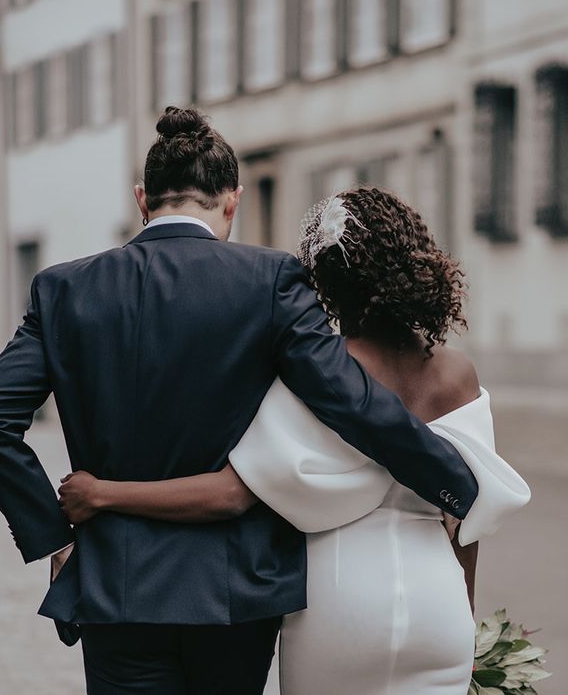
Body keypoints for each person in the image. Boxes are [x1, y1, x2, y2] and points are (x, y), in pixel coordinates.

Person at [0, 108, 484, 695]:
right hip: (237, 592)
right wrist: (457, 483)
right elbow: (351, 402)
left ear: (143, 200)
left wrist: (52, 537)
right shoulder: (272, 280)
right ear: (233, 200)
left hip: (117, 587)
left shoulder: (63, 289)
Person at [57, 187, 532, 694]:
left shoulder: (319, 375)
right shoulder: (458, 374)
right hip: (438, 605)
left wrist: (103, 493)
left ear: (323, 283)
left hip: (341, 603)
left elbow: (230, 494)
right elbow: (467, 523)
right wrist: (465, 614)